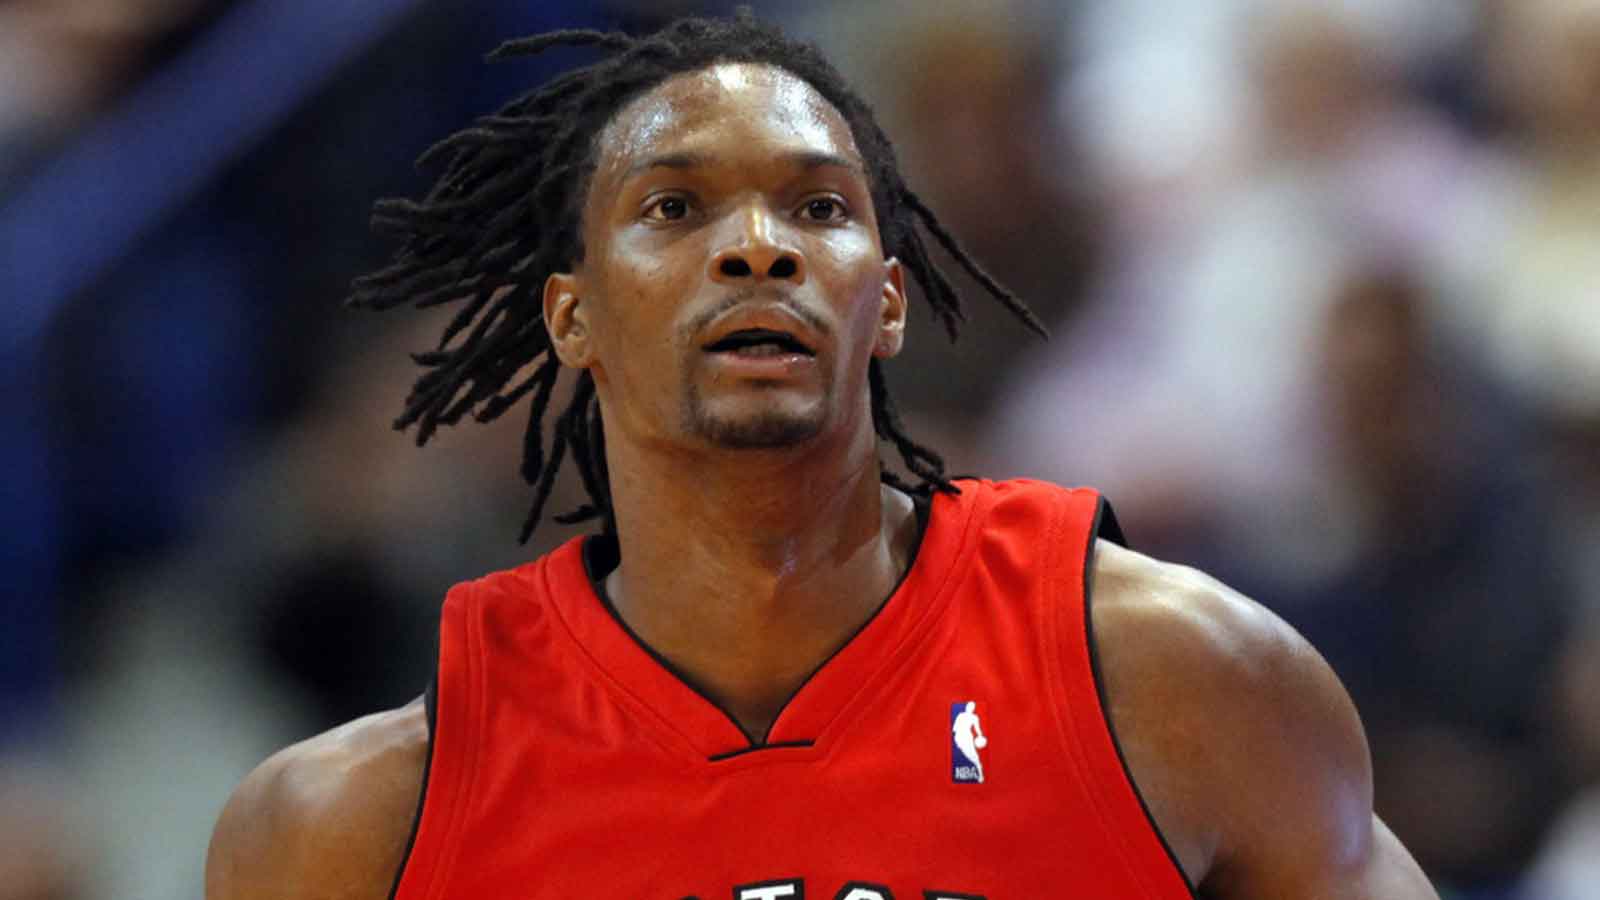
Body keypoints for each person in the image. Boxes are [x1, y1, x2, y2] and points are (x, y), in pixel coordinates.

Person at [205, 13, 1438, 899]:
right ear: (571, 317)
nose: (756, 247)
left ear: (888, 301)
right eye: (673, 208)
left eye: (819, 207)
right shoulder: (355, 827)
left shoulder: (1179, 681)